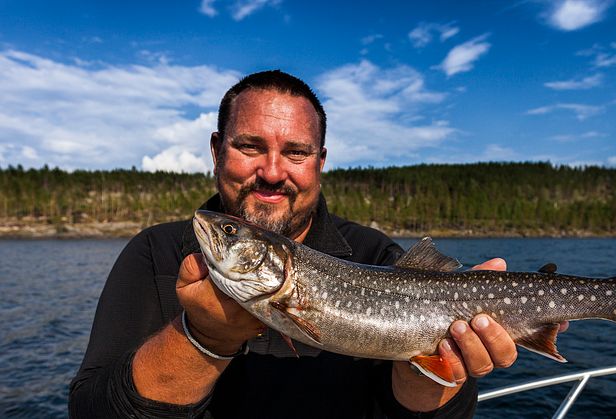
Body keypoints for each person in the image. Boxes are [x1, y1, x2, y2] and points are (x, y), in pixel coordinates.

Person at [69, 70, 520, 418]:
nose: (271, 171)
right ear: (216, 150)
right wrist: (202, 337)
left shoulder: (379, 258)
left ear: (319, 162)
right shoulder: (157, 253)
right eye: (249, 146)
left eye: (296, 153)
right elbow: (92, 409)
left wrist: (435, 366)